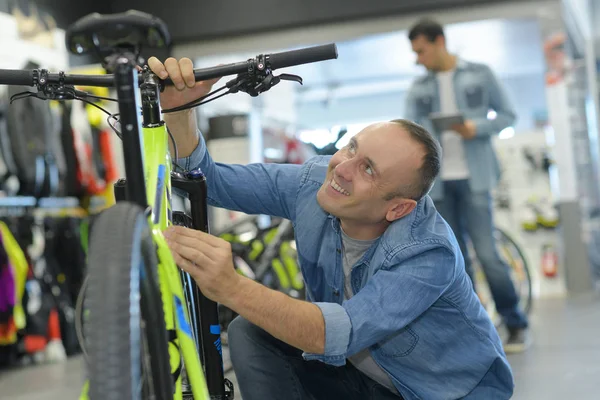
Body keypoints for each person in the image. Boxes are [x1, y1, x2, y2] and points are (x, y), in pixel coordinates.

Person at [149, 56, 514, 400]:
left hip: (441, 393)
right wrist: (180, 111)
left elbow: (336, 332)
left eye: (368, 169)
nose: (342, 168)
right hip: (366, 378)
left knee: (265, 320)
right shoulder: (316, 183)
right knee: (251, 331)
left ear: (398, 208)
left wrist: (230, 287)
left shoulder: (427, 252)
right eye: (351, 148)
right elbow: (208, 182)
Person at [404, 18, 530, 353]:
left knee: (488, 255)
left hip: (476, 178)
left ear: (439, 41)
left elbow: (507, 115)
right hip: (439, 185)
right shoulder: (418, 89)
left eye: (421, 50)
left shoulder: (480, 73)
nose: (418, 59)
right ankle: (476, 328)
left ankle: (515, 322)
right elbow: (407, 132)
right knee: (457, 260)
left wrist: (476, 128)